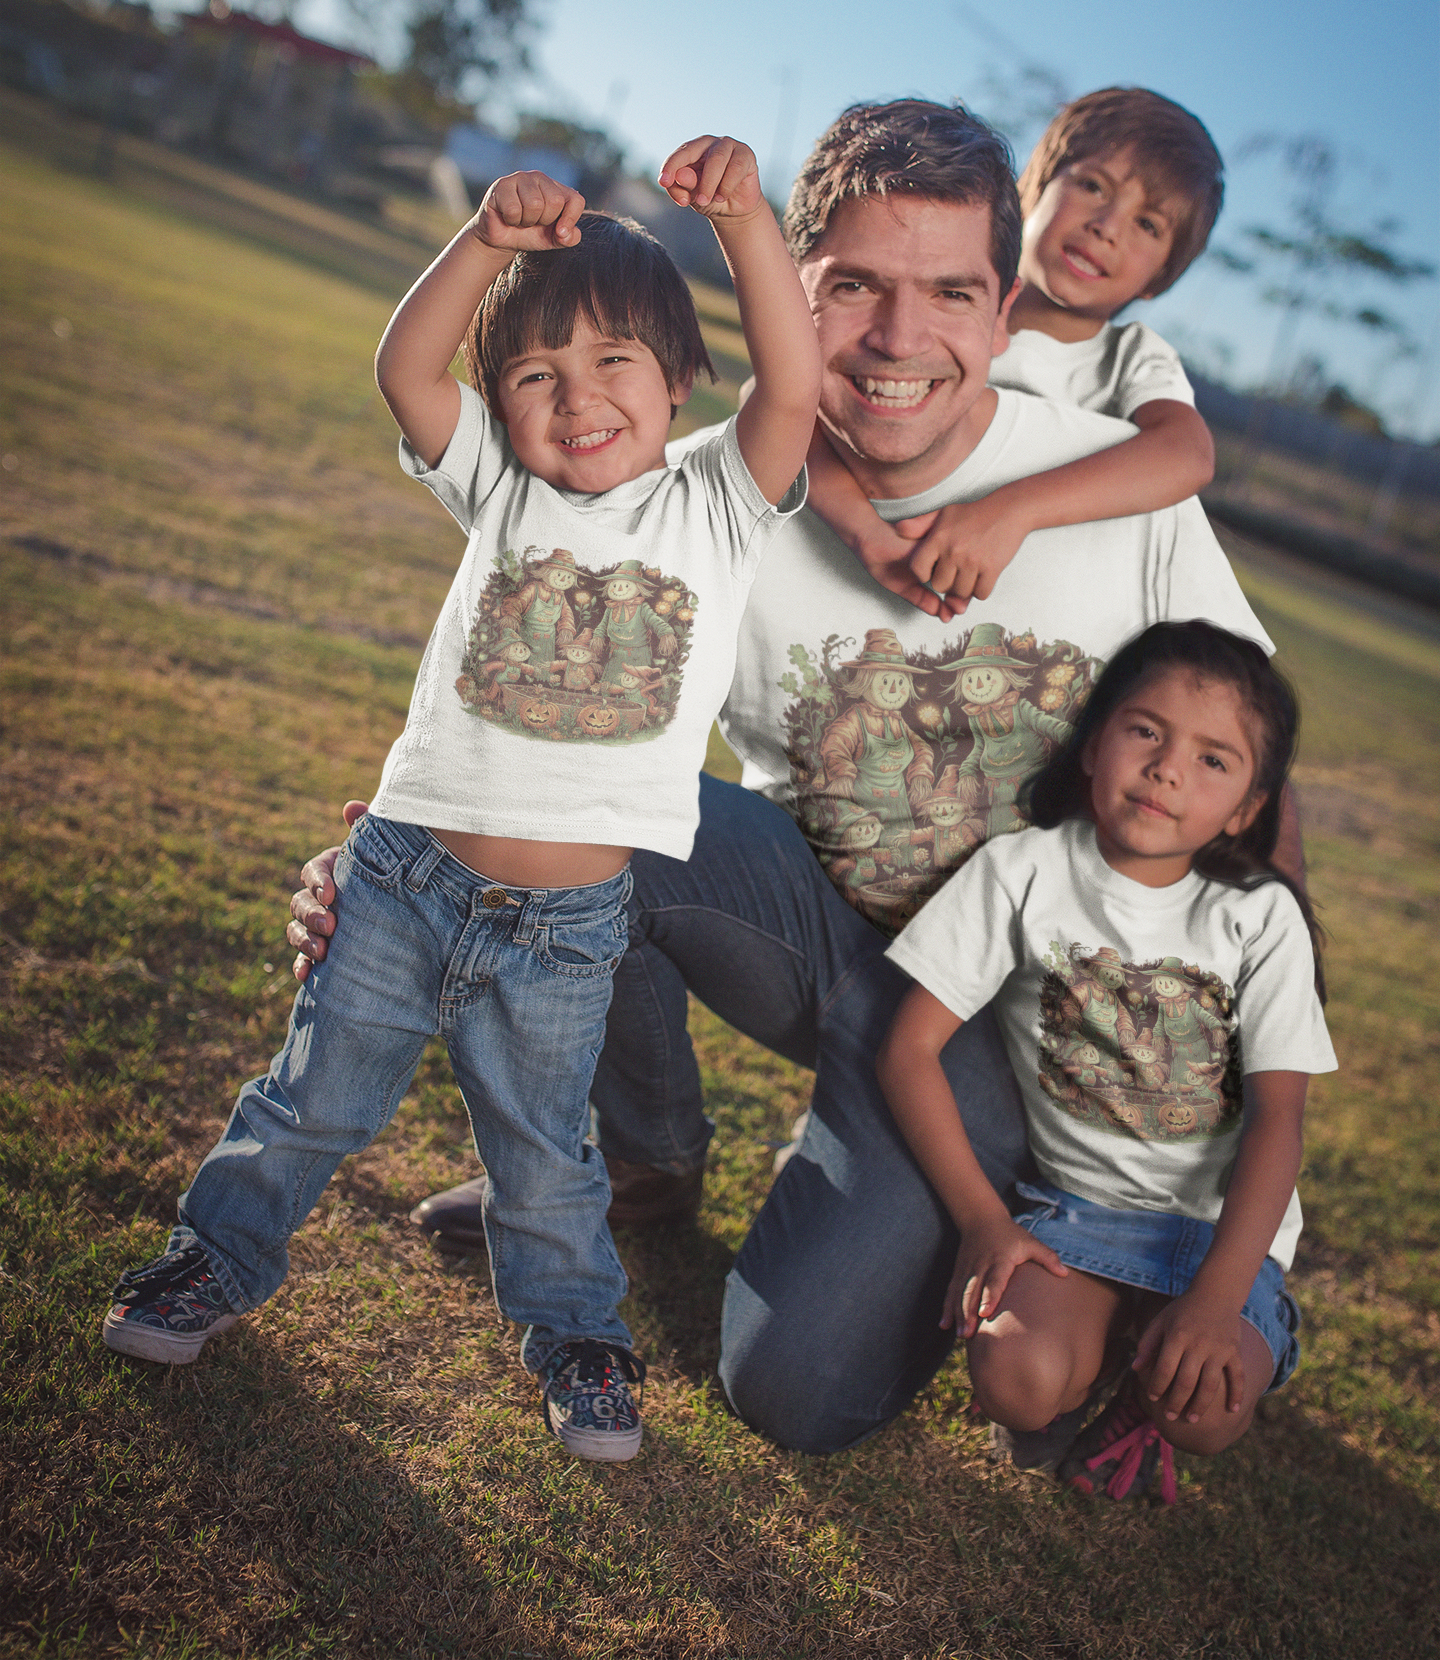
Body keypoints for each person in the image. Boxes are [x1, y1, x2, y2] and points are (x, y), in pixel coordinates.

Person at [290, 98, 1301, 1455]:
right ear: (785, 291)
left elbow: (1259, 794)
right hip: (820, 932)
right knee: (610, 827)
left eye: (947, 292)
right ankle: (642, 1157)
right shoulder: (690, 497)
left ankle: (1005, 1228)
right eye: (852, 290)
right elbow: (536, 710)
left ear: (1004, 311)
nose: (896, 340)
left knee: (793, 1390)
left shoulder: (1118, 492)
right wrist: (391, 855)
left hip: (1010, 1025)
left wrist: (1233, 1090)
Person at [102, 135, 820, 1465]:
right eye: (537, 374)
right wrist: (486, 238)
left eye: (615, 364)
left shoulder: (716, 504)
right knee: (309, 1100)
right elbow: (403, 369)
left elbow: (795, 382)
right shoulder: (501, 483)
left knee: (546, 1159)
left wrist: (748, 230)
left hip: (567, 928)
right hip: (403, 880)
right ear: (502, 401)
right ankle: (210, 1261)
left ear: (679, 380)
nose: (578, 396)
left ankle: (576, 1340)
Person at [878, 621, 1332, 1502]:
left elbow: (1280, 1119)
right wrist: (983, 1220)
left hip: (1217, 1237)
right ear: (1094, 744)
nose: (1167, 767)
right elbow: (908, 1051)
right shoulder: (1021, 870)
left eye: (1214, 760)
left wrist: (1214, 1298)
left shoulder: (1259, 916)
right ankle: (1097, 1349)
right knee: (1019, 1382)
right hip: (1078, 1218)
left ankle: (1149, 1370)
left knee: (1203, 1412)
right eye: (1147, 730)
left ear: (1246, 808)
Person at [803, 87, 1220, 620]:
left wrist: (1009, 513)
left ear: (1160, 279)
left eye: (1148, 224)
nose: (1107, 226)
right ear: (1034, 187)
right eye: (1093, 186)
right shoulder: (934, 326)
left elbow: (1188, 454)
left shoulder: (1129, 358)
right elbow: (780, 406)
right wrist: (866, 535)